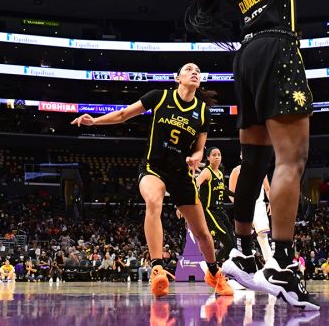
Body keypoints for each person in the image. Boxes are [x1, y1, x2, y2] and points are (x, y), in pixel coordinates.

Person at [186, 0, 329, 309]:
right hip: (275, 47)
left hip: (245, 56)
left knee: (255, 159)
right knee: (293, 160)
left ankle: (243, 250)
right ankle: (284, 265)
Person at [70, 62, 233, 298]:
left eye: (197, 70)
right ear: (177, 77)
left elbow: (200, 148)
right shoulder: (159, 97)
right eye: (188, 69)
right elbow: (124, 114)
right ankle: (158, 269)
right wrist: (95, 121)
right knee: (154, 202)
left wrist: (196, 159)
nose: (194, 72)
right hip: (153, 167)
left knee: (203, 234)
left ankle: (214, 273)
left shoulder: (203, 112)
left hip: (182, 173)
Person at [228, 161, 273, 262]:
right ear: (241, 156)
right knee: (244, 238)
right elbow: (231, 192)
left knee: (263, 236)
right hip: (243, 205)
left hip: (258, 204)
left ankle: (269, 263)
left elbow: (267, 188)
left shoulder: (261, 168)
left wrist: (271, 201)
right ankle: (243, 263)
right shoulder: (236, 170)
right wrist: (238, 204)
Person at [196, 148, 235, 262]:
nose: (217, 157)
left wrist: (237, 196)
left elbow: (224, 189)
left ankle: (219, 267)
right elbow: (195, 184)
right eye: (214, 155)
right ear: (208, 158)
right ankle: (211, 267)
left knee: (232, 243)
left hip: (220, 210)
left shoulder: (220, 174)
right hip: (209, 211)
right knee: (228, 242)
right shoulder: (207, 172)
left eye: (219, 154)